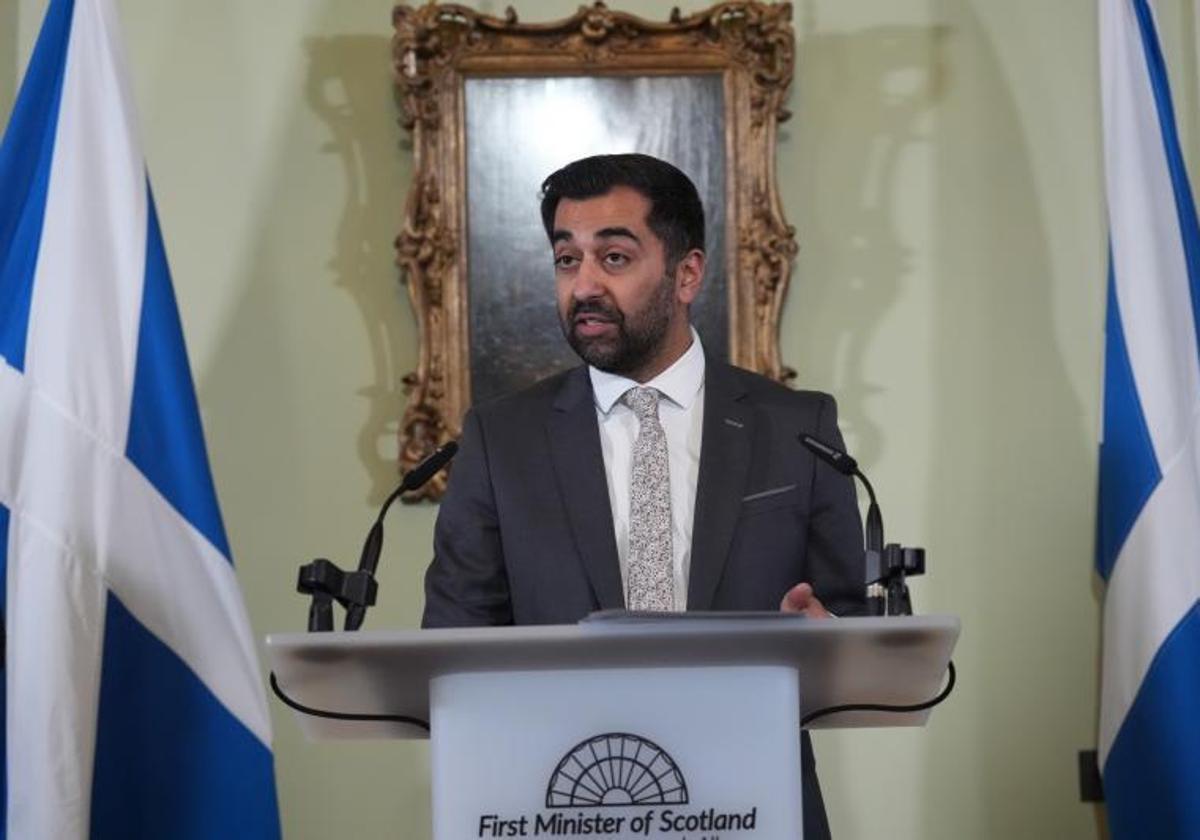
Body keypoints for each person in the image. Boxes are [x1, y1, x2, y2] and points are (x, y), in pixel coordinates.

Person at [423, 153, 865, 838]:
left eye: (616, 258)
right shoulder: (500, 438)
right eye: (567, 261)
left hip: (754, 802)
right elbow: (452, 642)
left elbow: (860, 626)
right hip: (556, 804)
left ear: (687, 274)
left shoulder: (796, 428)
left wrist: (831, 641)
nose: (585, 285)